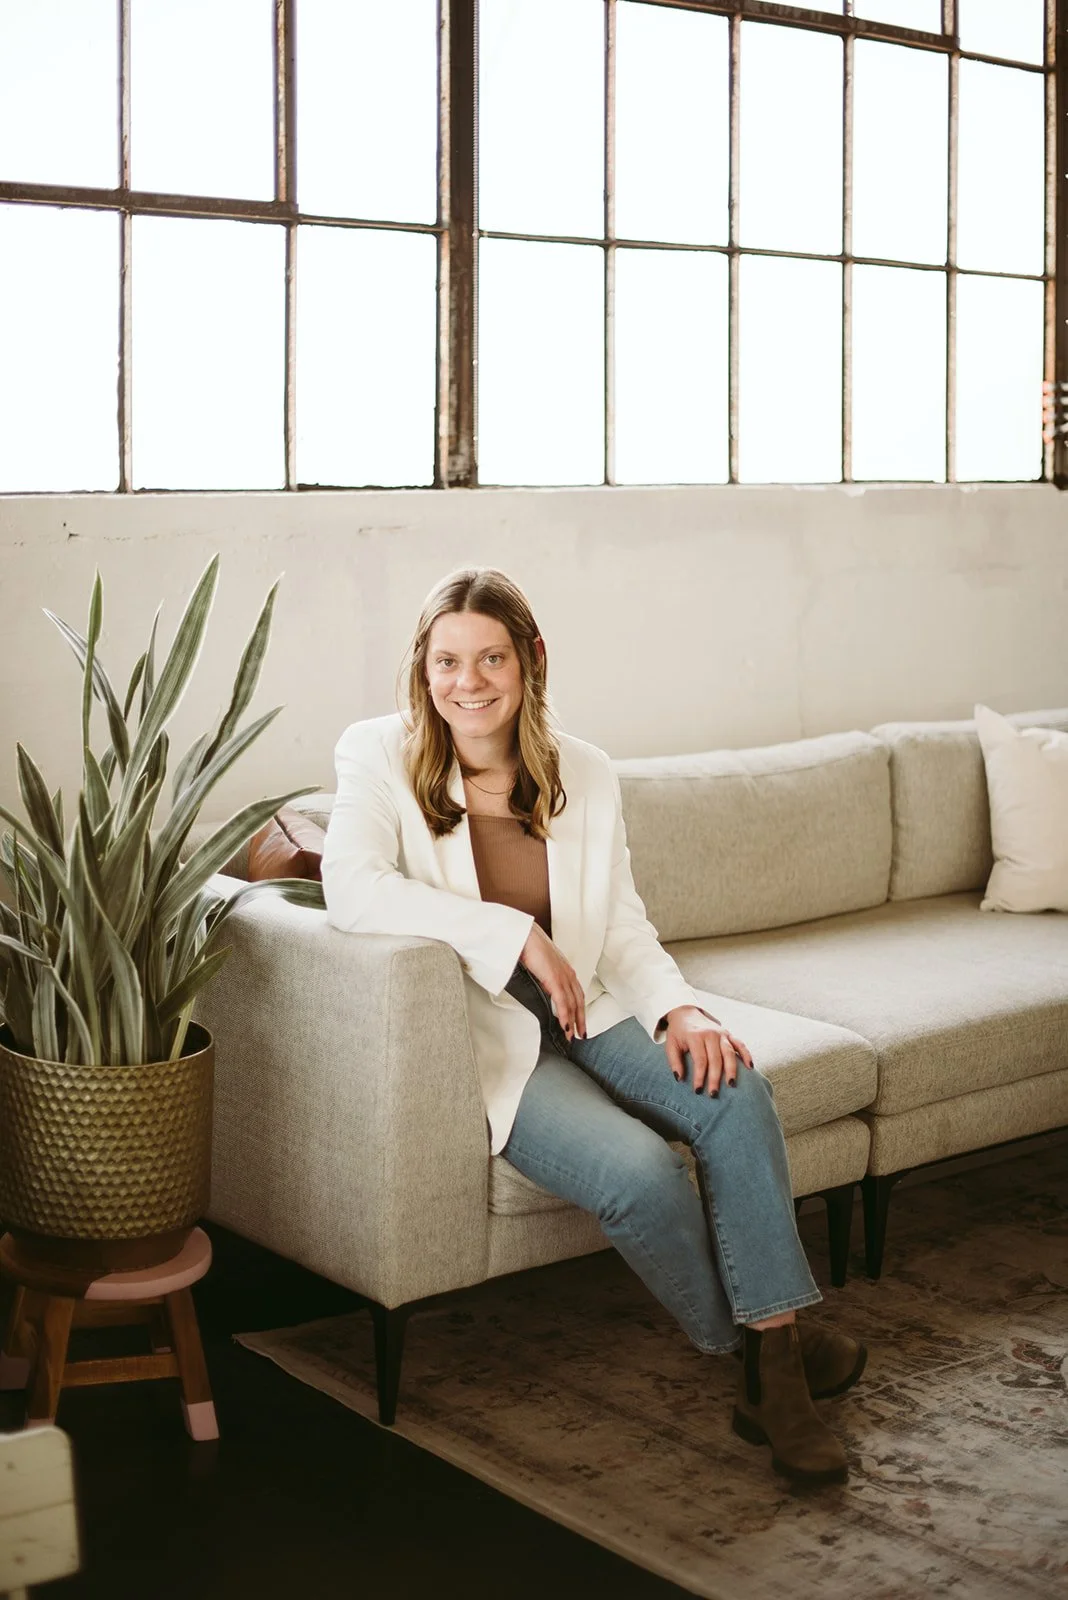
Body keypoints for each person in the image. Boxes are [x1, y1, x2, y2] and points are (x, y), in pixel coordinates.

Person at [321, 567, 866, 1485]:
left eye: (491, 657)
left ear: (530, 660)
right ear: (422, 669)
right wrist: (518, 936)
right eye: (447, 661)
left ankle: (775, 1375)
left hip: (594, 1004)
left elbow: (616, 924)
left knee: (733, 1091)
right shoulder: (376, 754)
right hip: (488, 1026)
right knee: (641, 1175)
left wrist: (680, 1007)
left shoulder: (588, 770)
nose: (469, 682)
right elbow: (353, 886)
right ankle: (764, 1359)